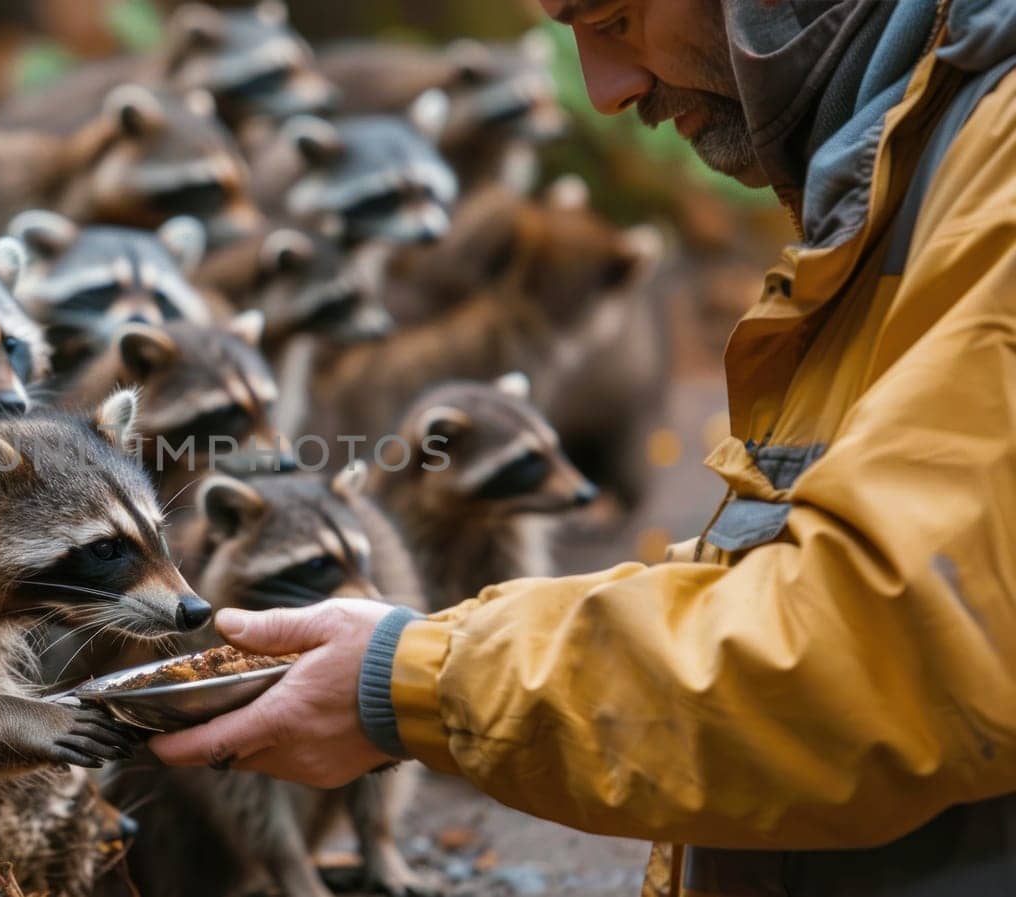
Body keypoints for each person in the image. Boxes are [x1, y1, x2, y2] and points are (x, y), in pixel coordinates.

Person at [150, 1, 1016, 895]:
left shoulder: (993, 173)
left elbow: (876, 650)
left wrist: (411, 681)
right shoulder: (910, 163)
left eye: (614, 17)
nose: (602, 92)